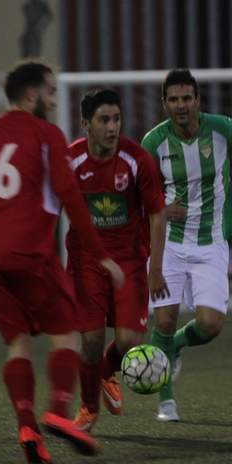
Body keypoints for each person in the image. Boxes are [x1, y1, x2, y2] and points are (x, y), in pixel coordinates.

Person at [0, 60, 125, 464]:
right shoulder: (47, 134)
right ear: (30, 95)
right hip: (28, 250)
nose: (52, 99)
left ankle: (27, 426)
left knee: (17, 345)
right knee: (65, 334)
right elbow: (70, 197)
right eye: (49, 92)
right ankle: (59, 414)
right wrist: (102, 255)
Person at [141, 68, 232, 422]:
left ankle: (174, 347)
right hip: (170, 244)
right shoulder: (153, 143)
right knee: (163, 319)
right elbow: (138, 192)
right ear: (164, 104)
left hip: (210, 243)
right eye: (173, 99)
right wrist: (158, 208)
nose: (180, 105)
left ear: (197, 100)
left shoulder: (220, 128)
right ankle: (166, 404)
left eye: (186, 98)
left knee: (210, 325)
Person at [64, 88, 169, 432]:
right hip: (86, 260)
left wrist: (155, 268)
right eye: (104, 120)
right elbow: (49, 208)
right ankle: (89, 409)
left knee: (129, 344)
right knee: (91, 338)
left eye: (117, 119)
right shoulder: (71, 161)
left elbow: (157, 213)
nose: (112, 127)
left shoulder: (137, 160)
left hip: (130, 260)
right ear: (86, 124)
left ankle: (110, 371)